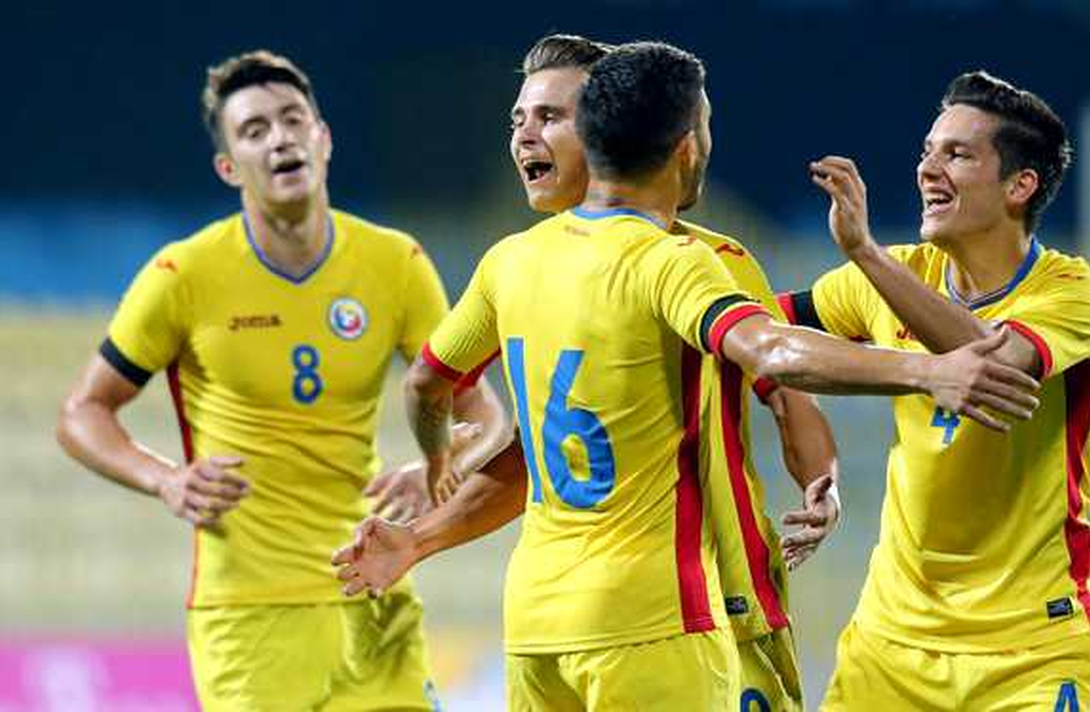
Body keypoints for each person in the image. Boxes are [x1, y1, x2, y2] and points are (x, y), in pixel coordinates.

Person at [335, 43, 1040, 711]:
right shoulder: (673, 265)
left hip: (547, 619)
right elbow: (772, 351)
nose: (527, 136)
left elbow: (472, 412)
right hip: (671, 611)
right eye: (521, 118)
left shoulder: (514, 264)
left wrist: (429, 504)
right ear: (684, 145)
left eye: (549, 116)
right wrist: (929, 371)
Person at [55, 49, 511, 711]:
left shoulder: (395, 263)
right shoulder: (183, 275)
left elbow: (485, 414)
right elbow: (82, 411)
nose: (280, 139)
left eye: (293, 120)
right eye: (254, 130)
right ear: (228, 166)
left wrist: (443, 460)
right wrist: (165, 478)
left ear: (323, 138)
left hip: (372, 596)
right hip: (249, 619)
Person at [789, 70, 1090, 710]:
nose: (927, 170)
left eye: (957, 155)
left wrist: (865, 253)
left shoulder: (1075, 294)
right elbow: (758, 338)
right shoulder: (898, 274)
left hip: (1030, 653)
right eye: (927, 152)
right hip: (890, 648)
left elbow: (990, 367)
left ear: (1019, 186)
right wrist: (818, 462)